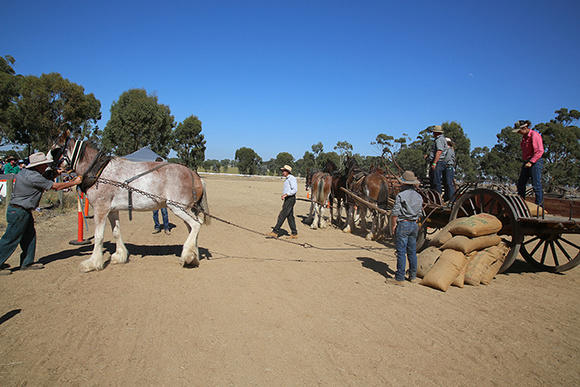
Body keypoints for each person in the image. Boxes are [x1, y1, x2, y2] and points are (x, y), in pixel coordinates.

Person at [0, 152, 82, 275]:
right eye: (44, 165)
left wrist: (56, 173)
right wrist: (74, 183)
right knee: (10, 238)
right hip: (19, 211)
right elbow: (56, 186)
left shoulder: (26, 173)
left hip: (21, 211)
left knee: (30, 237)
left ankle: (27, 262)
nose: (46, 167)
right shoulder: (34, 177)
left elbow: (44, 180)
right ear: (37, 166)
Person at [390, 171, 424, 286]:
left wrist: (393, 225)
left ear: (404, 184)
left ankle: (399, 277)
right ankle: (413, 275)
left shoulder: (401, 195)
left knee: (401, 252)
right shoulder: (419, 196)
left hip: (403, 224)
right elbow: (420, 213)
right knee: (412, 251)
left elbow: (395, 213)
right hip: (414, 224)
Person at [513, 120, 544, 206]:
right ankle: (521, 204)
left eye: (519, 130)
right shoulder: (524, 138)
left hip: (535, 162)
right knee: (521, 184)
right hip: (527, 161)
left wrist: (531, 162)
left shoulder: (535, 135)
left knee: (536, 185)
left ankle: (539, 206)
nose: (518, 132)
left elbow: (539, 151)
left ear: (525, 128)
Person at [268, 165, 298, 239]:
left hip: (290, 199)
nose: (282, 173)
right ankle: (294, 233)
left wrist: (286, 195)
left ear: (287, 171)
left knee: (282, 215)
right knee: (290, 217)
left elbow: (294, 190)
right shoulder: (288, 179)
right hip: (288, 199)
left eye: (283, 171)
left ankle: (275, 232)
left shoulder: (292, 178)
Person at [424, 125, 447, 196]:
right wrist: (429, 155)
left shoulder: (439, 140)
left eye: (434, 132)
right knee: (434, 180)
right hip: (440, 162)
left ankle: (437, 198)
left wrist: (434, 163)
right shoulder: (442, 139)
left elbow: (439, 151)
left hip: (438, 162)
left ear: (437, 133)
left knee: (435, 181)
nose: (433, 134)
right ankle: (436, 197)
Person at [151, 157, 170, 235]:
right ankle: (157, 227)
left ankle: (166, 227)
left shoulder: (164, 174)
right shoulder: (153, 174)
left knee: (164, 213)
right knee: (155, 213)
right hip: (154, 196)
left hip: (162, 196)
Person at [442, 137, 456, 202]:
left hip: (448, 168)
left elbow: (446, 159)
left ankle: (452, 199)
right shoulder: (447, 150)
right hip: (447, 168)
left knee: (449, 184)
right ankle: (447, 198)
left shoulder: (449, 151)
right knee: (446, 183)